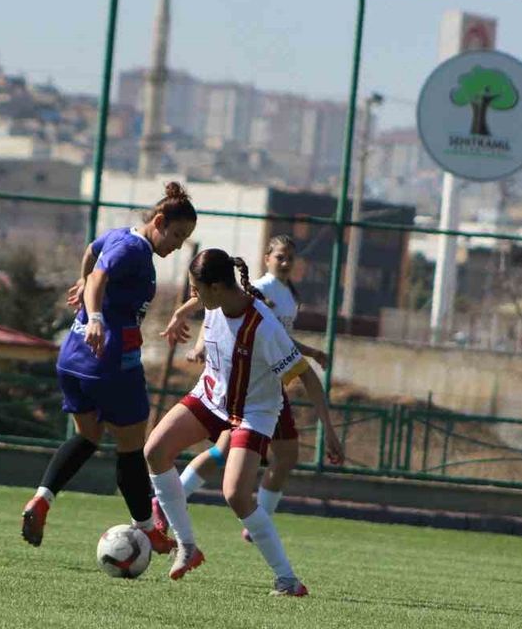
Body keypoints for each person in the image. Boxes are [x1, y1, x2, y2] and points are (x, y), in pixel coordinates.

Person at [145, 248, 344, 597]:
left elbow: (307, 376)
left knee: (235, 494)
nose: (194, 295)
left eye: (197, 289)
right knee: (155, 451)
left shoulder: (263, 326)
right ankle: (187, 546)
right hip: (211, 397)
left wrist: (329, 430)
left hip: (253, 411)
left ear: (217, 287)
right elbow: (195, 302)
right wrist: (178, 315)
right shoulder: (214, 302)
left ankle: (287, 580)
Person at [21, 182, 196, 555]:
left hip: (73, 357)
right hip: (110, 360)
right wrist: (97, 315)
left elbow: (91, 253)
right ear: (159, 222)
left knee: (87, 436)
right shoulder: (135, 250)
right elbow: (100, 276)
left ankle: (42, 498)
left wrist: (83, 282)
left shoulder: (120, 236)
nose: (179, 245)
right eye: (177, 235)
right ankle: (147, 529)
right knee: (131, 448)